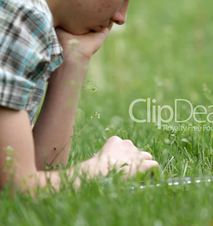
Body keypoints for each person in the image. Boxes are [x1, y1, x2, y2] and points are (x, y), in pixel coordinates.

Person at [0, 0, 159, 192]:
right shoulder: (21, 14)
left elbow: (40, 168)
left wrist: (75, 56)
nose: (120, 17)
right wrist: (105, 168)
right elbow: (16, 190)